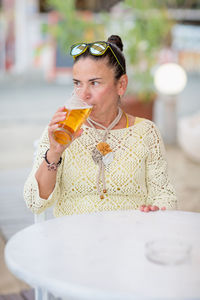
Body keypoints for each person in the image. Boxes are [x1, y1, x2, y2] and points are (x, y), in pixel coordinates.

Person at [24, 35, 177, 216]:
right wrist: (54, 153)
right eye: (77, 84)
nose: (83, 94)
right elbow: (35, 203)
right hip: (74, 238)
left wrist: (157, 209)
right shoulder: (60, 131)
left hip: (130, 235)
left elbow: (165, 196)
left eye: (94, 83)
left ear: (121, 85)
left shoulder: (146, 132)